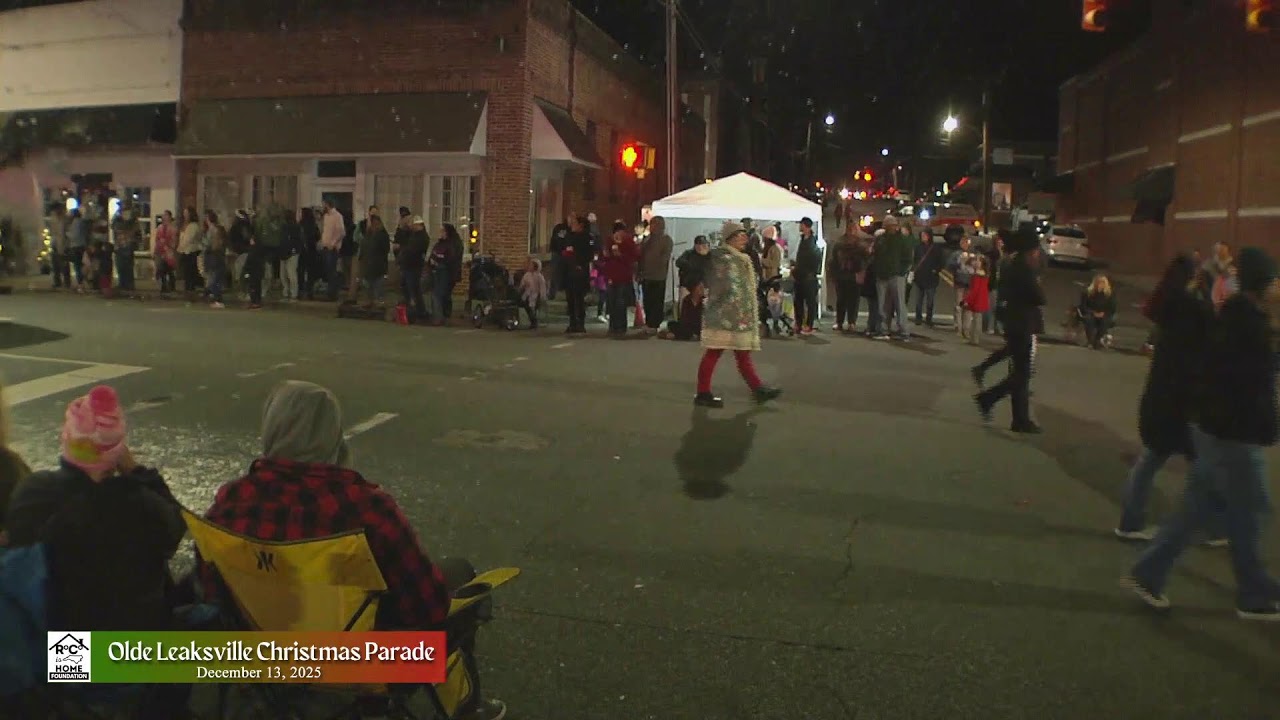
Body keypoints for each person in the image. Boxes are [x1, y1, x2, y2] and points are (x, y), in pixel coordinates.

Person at [200, 381, 507, 719]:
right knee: (460, 579)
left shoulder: (232, 502)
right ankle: (467, 707)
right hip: (355, 667)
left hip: (263, 658)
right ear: (334, 436)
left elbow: (210, 589)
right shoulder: (366, 507)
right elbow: (426, 607)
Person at [4, 385, 196, 718]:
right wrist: (135, 470)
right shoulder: (145, 507)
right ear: (117, 451)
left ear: (67, 440)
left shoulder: (34, 495)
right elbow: (178, 525)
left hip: (55, 661)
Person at [1123, 248, 1280, 621]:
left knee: (1202, 508)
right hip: (1231, 434)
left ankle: (1150, 573)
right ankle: (1253, 592)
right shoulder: (1244, 322)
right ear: (1263, 284)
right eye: (1275, 279)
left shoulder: (1241, 318)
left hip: (1217, 430)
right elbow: (1246, 386)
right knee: (1251, 508)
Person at [1116, 254, 1225, 543]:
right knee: (1203, 463)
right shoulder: (1192, 308)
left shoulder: (1170, 307)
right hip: (1183, 400)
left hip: (1163, 397)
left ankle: (1131, 521)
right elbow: (1211, 338)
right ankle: (1213, 527)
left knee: (1154, 460)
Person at [695, 221, 782, 408]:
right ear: (730, 238)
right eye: (739, 236)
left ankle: (757, 388)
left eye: (744, 235)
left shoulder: (739, 258)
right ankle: (703, 392)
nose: (744, 239)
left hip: (737, 316)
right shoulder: (724, 259)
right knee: (715, 351)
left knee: (741, 354)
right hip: (726, 315)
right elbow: (725, 286)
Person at [972, 227, 1044, 434]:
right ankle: (989, 398)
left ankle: (1020, 418)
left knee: (1020, 373)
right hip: (1022, 323)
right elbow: (1038, 296)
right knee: (1022, 373)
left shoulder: (1011, 264)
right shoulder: (1024, 267)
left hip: (1013, 322)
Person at [871, 215, 914, 341]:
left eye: (893, 225)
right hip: (883, 276)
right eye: (889, 225)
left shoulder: (901, 240)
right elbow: (876, 255)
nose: (892, 227)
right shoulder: (881, 239)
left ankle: (903, 330)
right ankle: (884, 329)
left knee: (899, 304)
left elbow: (908, 258)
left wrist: (901, 272)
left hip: (896, 276)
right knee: (883, 305)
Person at [600, 222, 638, 337]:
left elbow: (604, 256)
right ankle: (619, 327)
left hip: (614, 274)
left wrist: (612, 256)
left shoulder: (611, 240)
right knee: (618, 302)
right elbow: (634, 257)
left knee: (614, 301)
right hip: (622, 275)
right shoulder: (628, 240)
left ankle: (615, 327)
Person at [637, 216, 673, 334]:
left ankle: (654, 324)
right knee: (647, 301)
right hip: (646, 275)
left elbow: (665, 257)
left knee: (656, 300)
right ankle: (649, 322)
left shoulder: (666, 240)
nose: (653, 227)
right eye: (652, 224)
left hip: (658, 276)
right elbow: (641, 256)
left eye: (656, 224)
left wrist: (656, 265)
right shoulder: (647, 239)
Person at [560, 214, 594, 334]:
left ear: (581, 225)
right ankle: (572, 322)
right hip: (569, 272)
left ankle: (580, 323)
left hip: (580, 272)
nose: (572, 225)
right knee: (570, 299)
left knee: (579, 298)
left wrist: (580, 262)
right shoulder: (570, 237)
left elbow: (590, 254)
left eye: (575, 223)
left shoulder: (587, 238)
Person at [394, 217, 429, 322]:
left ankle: (418, 312)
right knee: (408, 288)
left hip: (414, 266)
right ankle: (416, 311)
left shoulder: (422, 237)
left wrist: (402, 249)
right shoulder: (414, 235)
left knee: (413, 289)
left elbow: (413, 250)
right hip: (409, 265)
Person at [792, 218, 821, 335]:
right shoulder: (803, 239)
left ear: (806, 226)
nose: (800, 227)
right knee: (798, 301)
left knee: (810, 302)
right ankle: (799, 323)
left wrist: (810, 271)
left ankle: (809, 325)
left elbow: (815, 258)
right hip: (799, 276)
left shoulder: (812, 242)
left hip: (808, 277)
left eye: (801, 225)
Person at [912, 230, 943, 327]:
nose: (923, 237)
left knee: (930, 300)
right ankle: (918, 318)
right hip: (920, 277)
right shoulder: (918, 247)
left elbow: (941, 261)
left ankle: (929, 319)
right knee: (918, 300)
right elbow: (914, 260)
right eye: (922, 235)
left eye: (925, 235)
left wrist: (936, 270)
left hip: (931, 277)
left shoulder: (935, 248)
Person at [359, 214, 391, 307]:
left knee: (378, 284)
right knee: (368, 285)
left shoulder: (382, 235)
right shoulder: (368, 234)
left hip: (378, 264)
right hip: (368, 263)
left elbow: (386, 249)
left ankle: (379, 301)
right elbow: (363, 247)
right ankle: (369, 300)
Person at [1078, 274, 1118, 349]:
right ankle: (1090, 341)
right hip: (1091, 313)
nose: (1100, 284)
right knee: (1089, 320)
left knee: (1105, 321)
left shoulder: (1109, 294)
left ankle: (1098, 340)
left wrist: (1103, 313)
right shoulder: (1087, 293)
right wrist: (1093, 312)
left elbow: (1112, 307)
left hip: (1104, 314)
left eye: (1103, 282)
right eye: (1099, 282)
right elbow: (1083, 306)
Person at [202, 210, 228, 309]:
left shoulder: (213, 230)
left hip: (214, 256)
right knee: (214, 278)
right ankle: (215, 297)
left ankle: (218, 299)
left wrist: (208, 248)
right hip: (215, 256)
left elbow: (213, 244)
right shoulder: (215, 229)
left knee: (213, 279)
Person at [152, 210, 178, 296]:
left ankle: (171, 285)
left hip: (169, 252)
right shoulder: (160, 227)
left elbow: (174, 240)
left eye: (166, 215)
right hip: (161, 251)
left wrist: (169, 247)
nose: (164, 217)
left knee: (169, 269)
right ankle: (164, 285)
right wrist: (156, 250)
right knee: (162, 269)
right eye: (164, 215)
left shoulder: (173, 228)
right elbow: (157, 239)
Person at [518, 257, 548, 329]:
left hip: (536, 295)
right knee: (528, 307)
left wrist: (542, 296)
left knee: (533, 308)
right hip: (527, 294)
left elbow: (542, 286)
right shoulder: (526, 275)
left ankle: (534, 322)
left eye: (531, 265)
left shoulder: (539, 276)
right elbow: (522, 284)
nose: (529, 266)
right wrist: (522, 288)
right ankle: (533, 321)